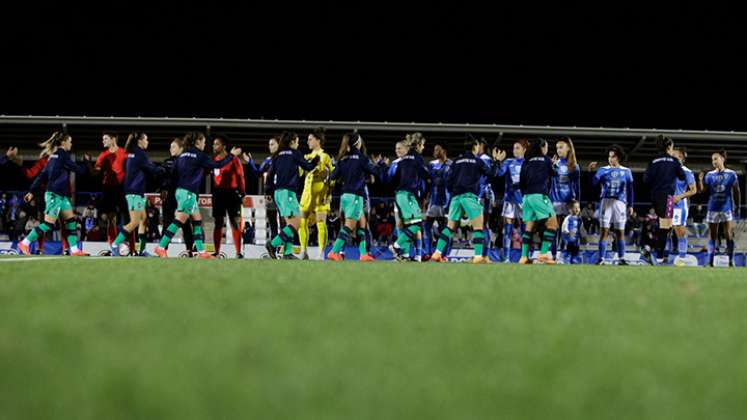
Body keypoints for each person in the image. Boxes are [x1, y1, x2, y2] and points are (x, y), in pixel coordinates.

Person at [154, 132, 241, 259]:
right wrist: (232, 155)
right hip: (188, 192)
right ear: (198, 141)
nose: (205, 144)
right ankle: (161, 247)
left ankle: (201, 252)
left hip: (181, 192)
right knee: (180, 220)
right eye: (204, 142)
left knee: (197, 220)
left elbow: (173, 173)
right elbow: (218, 165)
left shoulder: (182, 155)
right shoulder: (200, 156)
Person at [18, 132, 90, 256]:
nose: (71, 143)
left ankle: (74, 250)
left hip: (61, 196)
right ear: (63, 142)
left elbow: (42, 175)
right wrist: (86, 162)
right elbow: (79, 170)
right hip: (54, 195)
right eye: (70, 141)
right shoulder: (62, 155)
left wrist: (31, 191)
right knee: (48, 224)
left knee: (71, 221)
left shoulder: (52, 157)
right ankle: (24, 243)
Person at [430, 135, 500, 264]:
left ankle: (436, 253)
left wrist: (454, 191)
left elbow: (448, 181)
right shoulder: (477, 161)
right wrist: (496, 161)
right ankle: (478, 256)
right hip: (470, 197)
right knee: (478, 228)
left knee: (449, 228)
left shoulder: (456, 161)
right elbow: (492, 174)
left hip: (456, 197)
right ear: (475, 147)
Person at [264, 132, 320, 260]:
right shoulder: (295, 154)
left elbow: (270, 175)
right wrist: (316, 160)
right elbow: (308, 166)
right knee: (297, 223)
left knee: (289, 224)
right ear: (292, 142)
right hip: (288, 192)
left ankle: (287, 253)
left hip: (278, 193)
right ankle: (272, 245)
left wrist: (268, 191)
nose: (298, 144)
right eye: (297, 141)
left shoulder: (277, 155)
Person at [327, 133, 382, 261]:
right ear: (358, 143)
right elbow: (376, 173)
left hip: (344, 196)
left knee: (362, 224)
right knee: (349, 226)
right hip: (355, 197)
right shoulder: (362, 158)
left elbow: (333, 177)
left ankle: (363, 254)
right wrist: (379, 164)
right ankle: (333, 252)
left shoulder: (343, 159)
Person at [110, 132, 164, 256]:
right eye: (146, 139)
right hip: (134, 192)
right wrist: (164, 169)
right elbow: (152, 169)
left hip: (136, 191)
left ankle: (142, 250)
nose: (147, 142)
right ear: (140, 141)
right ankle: (115, 245)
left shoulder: (132, 153)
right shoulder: (140, 154)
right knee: (134, 222)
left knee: (144, 220)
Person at [641, 135, 686, 265]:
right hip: (668, 197)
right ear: (668, 147)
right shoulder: (673, 161)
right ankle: (652, 252)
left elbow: (646, 180)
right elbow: (682, 176)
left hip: (655, 196)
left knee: (664, 226)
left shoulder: (653, 161)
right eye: (672, 148)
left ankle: (657, 255)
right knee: (666, 227)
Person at [385, 135, 430, 262]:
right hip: (407, 195)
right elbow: (423, 176)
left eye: (400, 148)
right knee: (408, 225)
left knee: (410, 225)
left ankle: (415, 255)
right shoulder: (410, 160)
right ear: (418, 145)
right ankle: (401, 251)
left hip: (406, 196)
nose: (397, 151)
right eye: (396, 148)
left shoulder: (404, 160)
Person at [588, 145, 634, 265]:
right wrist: (590, 172)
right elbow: (592, 184)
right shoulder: (603, 170)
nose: (610, 159)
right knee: (604, 231)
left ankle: (621, 258)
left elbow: (630, 190)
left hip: (620, 203)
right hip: (606, 201)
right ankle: (601, 259)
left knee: (620, 232)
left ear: (618, 157)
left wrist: (631, 205)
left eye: (613, 156)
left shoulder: (626, 171)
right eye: (609, 156)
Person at [517, 138, 559, 264]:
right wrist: (554, 164)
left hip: (527, 197)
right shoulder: (546, 159)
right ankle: (543, 254)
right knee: (552, 224)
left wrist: (526, 196)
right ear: (542, 148)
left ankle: (524, 257)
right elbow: (554, 174)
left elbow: (521, 182)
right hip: (539, 196)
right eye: (546, 147)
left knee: (529, 228)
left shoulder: (526, 161)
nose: (547, 149)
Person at [698, 149, 740, 267]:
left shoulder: (731, 174)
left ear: (722, 159)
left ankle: (731, 261)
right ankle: (710, 261)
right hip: (712, 209)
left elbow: (736, 191)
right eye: (712, 160)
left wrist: (737, 206)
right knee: (712, 235)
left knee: (728, 235)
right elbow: (702, 190)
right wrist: (700, 180)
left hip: (726, 208)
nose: (713, 161)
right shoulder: (710, 175)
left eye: (715, 158)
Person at [92, 132, 132, 250]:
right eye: (102, 138)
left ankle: (132, 247)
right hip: (108, 189)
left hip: (121, 188)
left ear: (113, 139)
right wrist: (88, 163)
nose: (103, 141)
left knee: (129, 219)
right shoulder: (103, 155)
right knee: (111, 218)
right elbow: (95, 172)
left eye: (105, 138)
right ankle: (113, 246)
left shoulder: (123, 153)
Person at [298, 128, 333, 260]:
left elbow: (332, 177)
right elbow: (300, 173)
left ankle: (320, 253)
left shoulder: (325, 157)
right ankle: (303, 251)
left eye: (310, 139)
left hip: (321, 195)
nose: (308, 142)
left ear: (318, 141)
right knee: (302, 222)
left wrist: (329, 194)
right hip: (307, 194)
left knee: (320, 223)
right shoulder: (306, 157)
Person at [211, 133, 247, 258]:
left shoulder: (234, 159)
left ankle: (238, 252)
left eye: (217, 144)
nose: (214, 146)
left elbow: (240, 176)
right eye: (214, 143)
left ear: (224, 146)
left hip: (232, 194)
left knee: (234, 222)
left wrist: (242, 193)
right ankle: (216, 252)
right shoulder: (213, 160)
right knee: (218, 222)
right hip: (218, 194)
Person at [160, 138, 194, 256]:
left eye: (173, 147)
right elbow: (162, 177)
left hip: (182, 196)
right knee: (167, 223)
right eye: (170, 147)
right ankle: (162, 250)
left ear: (181, 148)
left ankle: (190, 250)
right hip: (169, 196)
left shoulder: (187, 162)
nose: (171, 149)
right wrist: (162, 189)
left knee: (185, 224)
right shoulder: (167, 162)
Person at [495, 139, 527, 262]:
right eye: (514, 148)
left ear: (524, 150)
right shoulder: (508, 162)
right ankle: (506, 258)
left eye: (517, 148)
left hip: (523, 200)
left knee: (525, 230)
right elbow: (499, 173)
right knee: (507, 229)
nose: (515, 150)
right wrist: (498, 161)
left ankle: (524, 257)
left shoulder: (527, 163)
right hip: (509, 200)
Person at [549, 137, 580, 257]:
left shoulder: (574, 166)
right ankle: (553, 256)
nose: (558, 150)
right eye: (557, 148)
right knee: (553, 230)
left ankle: (566, 255)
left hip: (569, 203)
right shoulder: (554, 164)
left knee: (567, 231)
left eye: (561, 147)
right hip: (555, 202)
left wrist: (577, 203)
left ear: (568, 148)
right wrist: (550, 167)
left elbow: (577, 187)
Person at [423, 143, 451, 257]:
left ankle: (443, 255)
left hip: (446, 201)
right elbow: (428, 181)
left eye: (437, 149)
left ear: (444, 151)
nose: (434, 152)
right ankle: (429, 253)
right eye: (434, 149)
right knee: (427, 226)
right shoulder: (431, 164)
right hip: (433, 201)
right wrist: (425, 198)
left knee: (444, 229)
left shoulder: (451, 165)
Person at [670, 148, 697, 263]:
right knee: (666, 230)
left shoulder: (686, 172)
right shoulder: (668, 170)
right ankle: (664, 257)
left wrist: (679, 196)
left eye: (674, 155)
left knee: (679, 231)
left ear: (680, 158)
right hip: (668, 203)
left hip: (679, 204)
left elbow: (693, 190)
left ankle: (682, 257)